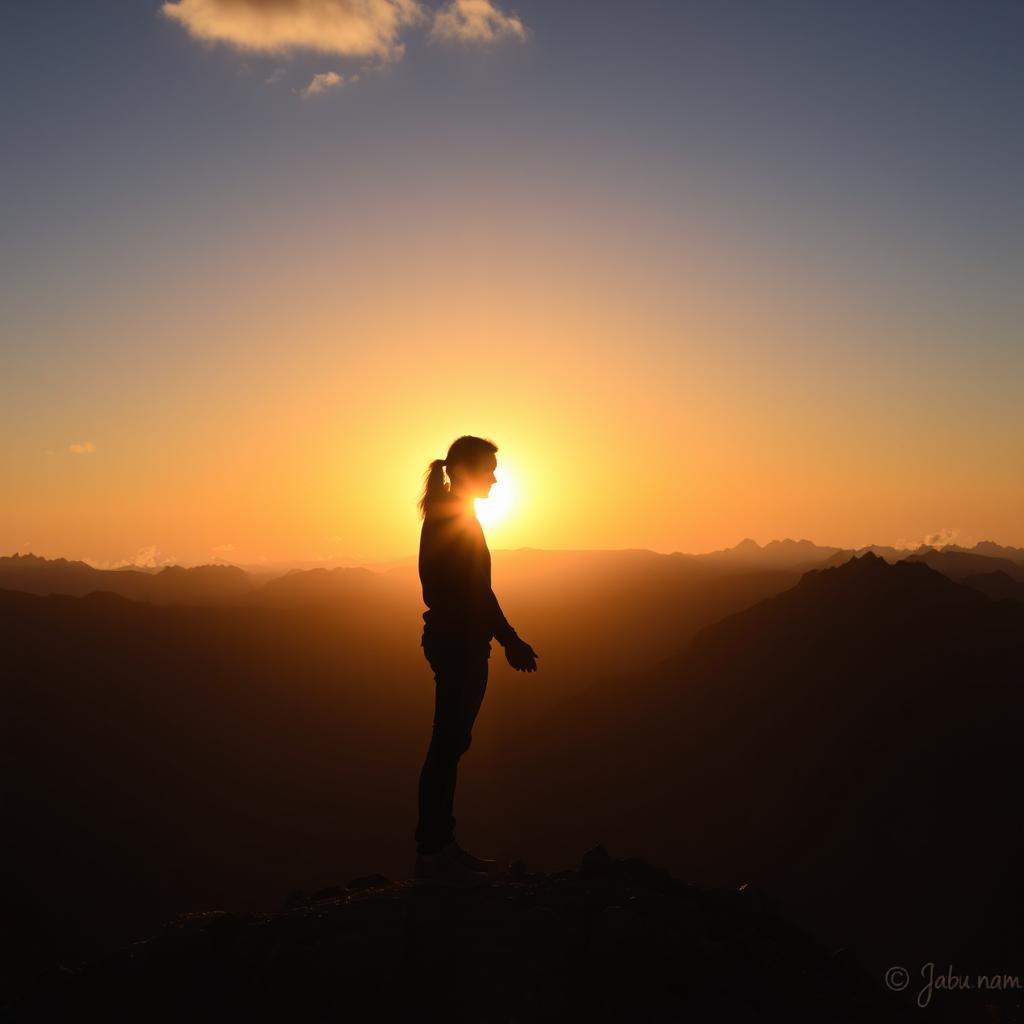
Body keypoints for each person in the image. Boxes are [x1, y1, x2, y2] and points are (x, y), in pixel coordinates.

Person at [413, 435, 539, 887]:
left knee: (450, 746)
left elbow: (469, 591)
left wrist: (503, 638)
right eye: (487, 469)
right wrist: (510, 639)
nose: (495, 478)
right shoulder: (456, 519)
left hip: (455, 641)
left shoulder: (449, 514)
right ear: (465, 471)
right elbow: (475, 593)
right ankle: (434, 853)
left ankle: (440, 847)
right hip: (459, 645)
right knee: (447, 748)